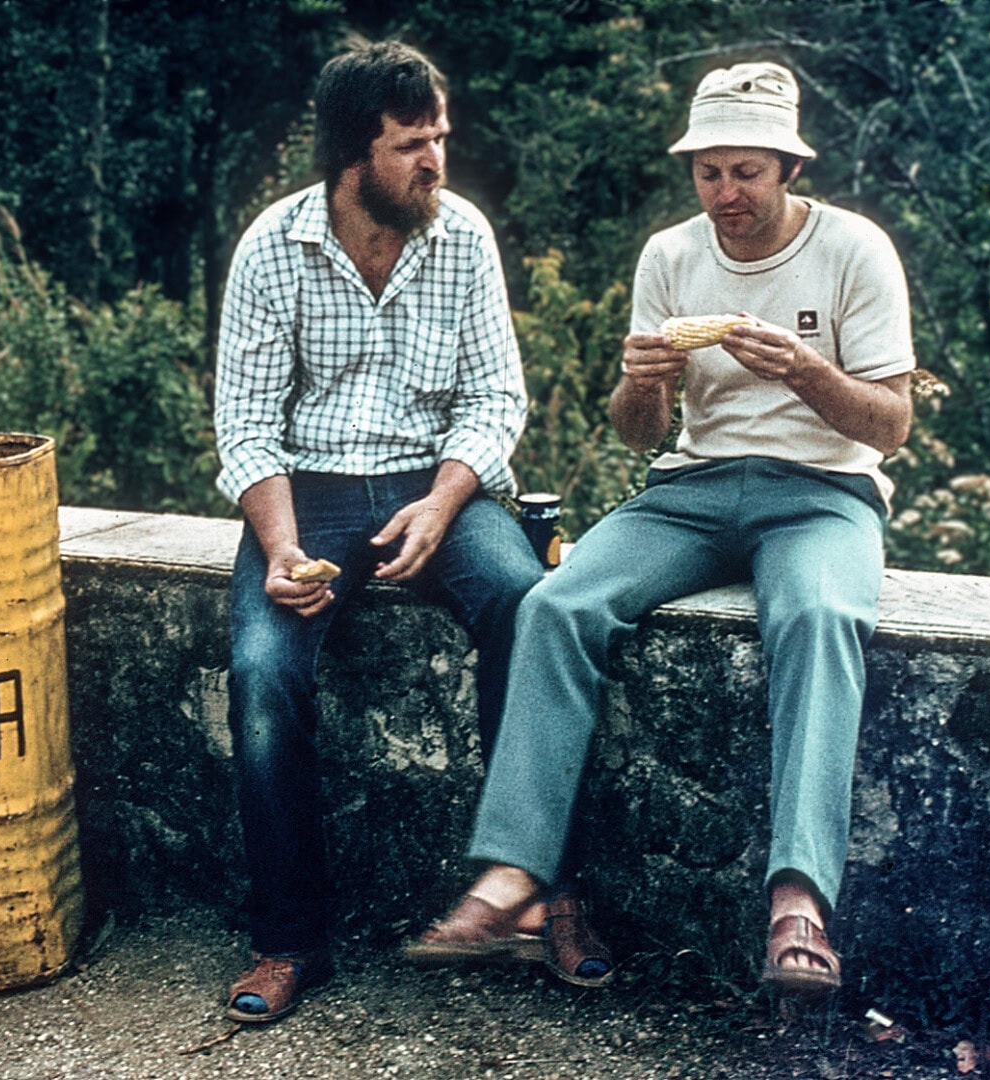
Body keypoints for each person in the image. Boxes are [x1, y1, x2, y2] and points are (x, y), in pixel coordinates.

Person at [406, 59, 915, 996]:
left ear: (789, 167)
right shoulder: (670, 256)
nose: (725, 193)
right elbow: (639, 434)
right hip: (694, 486)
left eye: (745, 172)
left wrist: (805, 371)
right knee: (556, 604)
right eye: (708, 173)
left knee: (816, 619)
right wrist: (641, 384)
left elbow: (889, 425)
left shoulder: (854, 250)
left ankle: (797, 901)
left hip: (822, 491)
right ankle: (512, 877)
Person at [211, 39, 599, 1024]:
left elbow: (495, 397)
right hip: (311, 492)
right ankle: (289, 940)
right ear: (354, 154)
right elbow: (246, 425)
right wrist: (282, 547)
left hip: (440, 482)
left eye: (441, 137)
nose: (436, 161)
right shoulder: (273, 246)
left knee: (529, 606)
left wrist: (442, 502)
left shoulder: (460, 234)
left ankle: (544, 895)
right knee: (262, 671)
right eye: (411, 144)